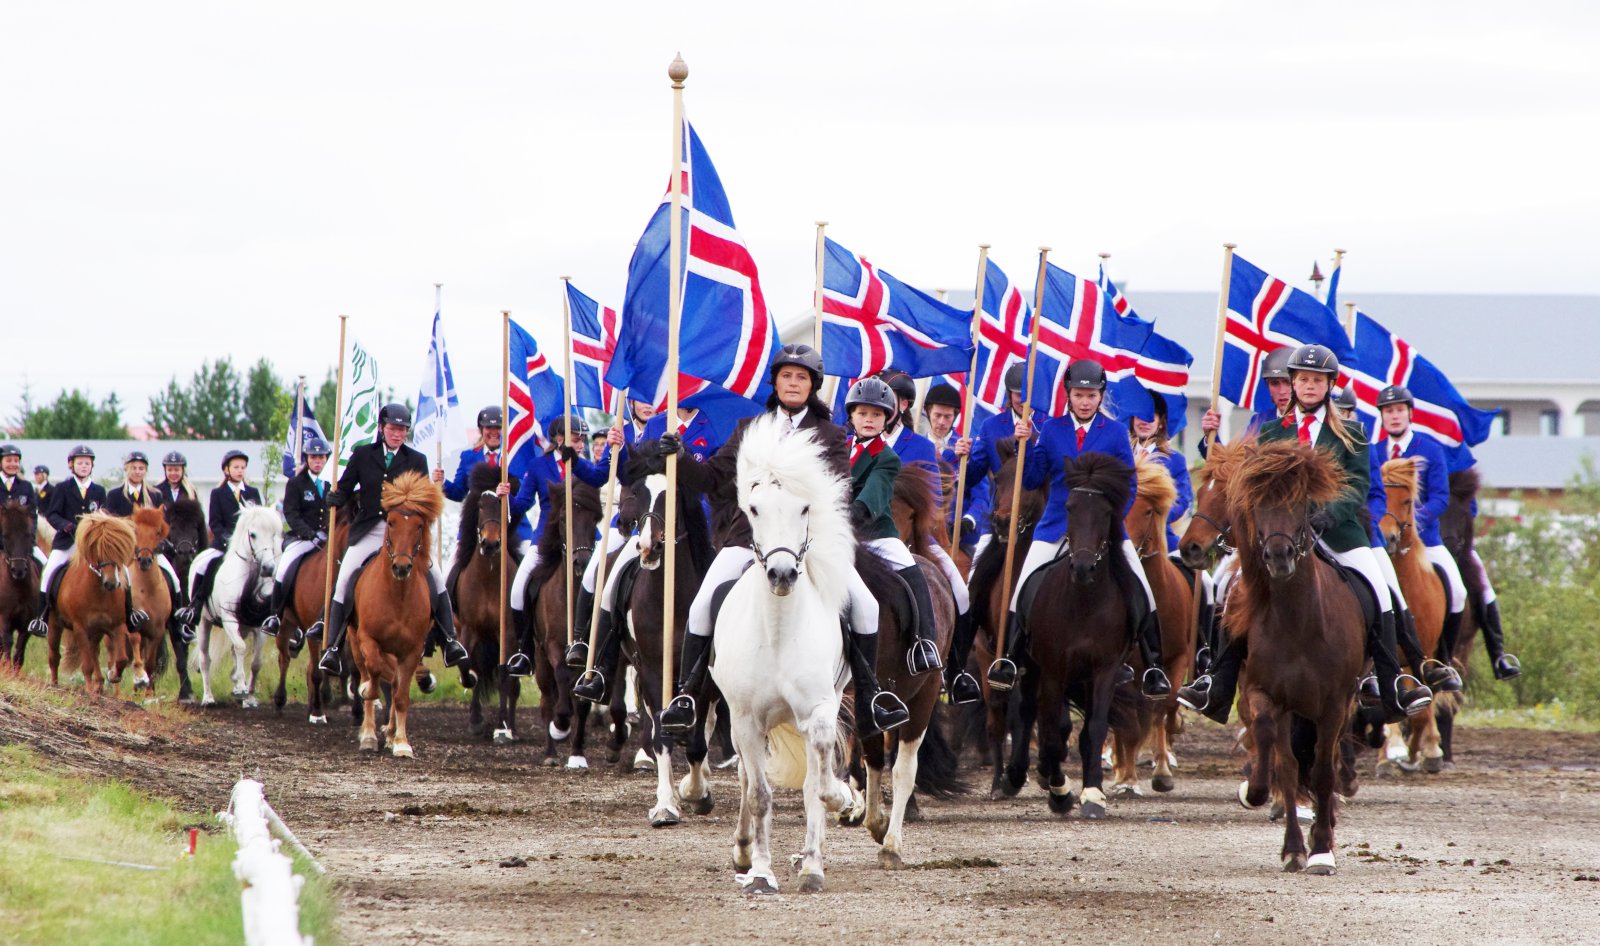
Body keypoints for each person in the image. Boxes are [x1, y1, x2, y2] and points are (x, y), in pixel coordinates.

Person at [592, 344, 911, 737]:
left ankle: (868, 696)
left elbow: (838, 490)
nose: (793, 383)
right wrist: (678, 458)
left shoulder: (830, 435)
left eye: (802, 377)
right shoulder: (749, 429)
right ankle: (688, 694)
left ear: (812, 386)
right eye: (786, 376)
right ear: (775, 383)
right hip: (749, 537)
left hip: (811, 541)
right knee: (703, 604)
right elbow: (712, 479)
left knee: (864, 605)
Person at [1178, 345, 1435, 724]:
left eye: (1317, 380)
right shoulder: (1270, 432)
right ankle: (1216, 682)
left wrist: (1330, 514)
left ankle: (1391, 681)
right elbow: (1244, 475)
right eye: (1303, 380)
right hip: (1279, 536)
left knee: (1382, 589)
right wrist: (1209, 442)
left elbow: (1358, 485)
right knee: (1233, 592)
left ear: (1329, 385)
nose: (1309, 386)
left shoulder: (1351, 433)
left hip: (1337, 533)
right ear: (1293, 384)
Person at [957, 359, 1172, 699]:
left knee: (1140, 584)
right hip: (1056, 522)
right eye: (1078, 395)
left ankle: (1154, 665)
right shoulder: (1053, 430)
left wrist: (1113, 519)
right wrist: (1024, 447)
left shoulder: (1115, 432)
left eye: (1091, 395)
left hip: (1103, 527)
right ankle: (1011, 658)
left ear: (1101, 396)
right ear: (1068, 396)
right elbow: (1030, 480)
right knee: (1022, 585)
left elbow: (1129, 485)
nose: (1085, 401)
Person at [566, 404, 723, 685]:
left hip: (699, 527)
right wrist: (621, 450)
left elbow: (715, 482)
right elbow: (634, 473)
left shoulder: (713, 423)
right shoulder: (656, 423)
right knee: (611, 579)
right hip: (652, 522)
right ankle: (599, 664)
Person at [315, 403, 474, 680]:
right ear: (381, 428)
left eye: (402, 429)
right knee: (344, 579)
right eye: (392, 428)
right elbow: (347, 485)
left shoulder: (417, 459)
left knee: (435, 577)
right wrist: (334, 498)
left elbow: (425, 500)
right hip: (371, 529)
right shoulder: (363, 455)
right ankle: (332, 646)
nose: (397, 434)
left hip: (404, 534)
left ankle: (450, 641)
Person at [1367, 385, 1483, 687]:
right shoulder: (1375, 452)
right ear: (1382, 416)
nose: (1394, 416)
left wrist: (1413, 521)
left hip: (1425, 540)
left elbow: (1441, 498)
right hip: (1382, 538)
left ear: (1409, 413)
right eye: (1388, 411)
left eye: (1399, 411)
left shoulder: (1429, 448)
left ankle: (1442, 660)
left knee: (1456, 590)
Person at [875, 373, 978, 703]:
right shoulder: (860, 438)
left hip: (913, 534)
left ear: (903, 404)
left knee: (961, 593)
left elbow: (932, 497)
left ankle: (956, 671)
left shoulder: (919, 445)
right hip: (866, 533)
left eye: (888, 399)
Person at [842, 377, 944, 677]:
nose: (869, 420)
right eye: (863, 413)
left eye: (876, 414)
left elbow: (871, 496)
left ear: (887, 418)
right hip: (831, 533)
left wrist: (846, 517)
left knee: (911, 569)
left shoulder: (887, 457)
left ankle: (924, 641)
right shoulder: (837, 447)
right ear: (851, 416)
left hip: (873, 531)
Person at [505, 414, 604, 677]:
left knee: (610, 582)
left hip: (584, 538)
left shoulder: (586, 467)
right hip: (546, 539)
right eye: (576, 438)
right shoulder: (539, 466)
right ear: (559, 439)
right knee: (518, 588)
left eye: (582, 439)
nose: (580, 444)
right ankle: (525, 649)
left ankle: (608, 647)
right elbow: (523, 504)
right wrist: (506, 497)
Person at [1130, 394, 1217, 674]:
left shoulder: (1174, 459)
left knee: (1206, 585)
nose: (1145, 422)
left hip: (1163, 539)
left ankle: (1203, 649)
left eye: (1151, 416)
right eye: (1140, 416)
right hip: (1124, 538)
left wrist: (1158, 510)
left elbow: (1184, 500)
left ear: (1161, 421)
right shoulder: (1121, 453)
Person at [29, 446, 142, 637]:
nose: (83, 466)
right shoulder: (62, 488)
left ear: (92, 466)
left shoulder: (98, 490)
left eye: (87, 463)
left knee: (124, 573)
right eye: (80, 463)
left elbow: (104, 516)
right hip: (67, 542)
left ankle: (130, 614)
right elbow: (53, 514)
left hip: (92, 545)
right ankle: (41, 618)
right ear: (71, 465)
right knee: (49, 570)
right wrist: (65, 525)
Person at [1449, 445, 1521, 680]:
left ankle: (1498, 654)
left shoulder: (1457, 461)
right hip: (1405, 537)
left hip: (1452, 541)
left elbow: (1471, 509)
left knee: (1485, 589)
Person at [173, 449, 264, 631]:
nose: (240, 470)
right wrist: (230, 542)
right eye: (236, 467)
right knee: (204, 565)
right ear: (227, 470)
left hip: (250, 547)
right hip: (224, 545)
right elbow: (215, 523)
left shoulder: (253, 493)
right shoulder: (218, 493)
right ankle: (196, 606)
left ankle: (269, 611)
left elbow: (258, 522)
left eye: (242, 467)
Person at [260, 435, 332, 648]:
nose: (317, 461)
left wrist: (329, 533)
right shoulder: (296, 483)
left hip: (330, 538)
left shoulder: (333, 482)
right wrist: (310, 533)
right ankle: (275, 615)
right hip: (303, 538)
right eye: (313, 457)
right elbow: (291, 513)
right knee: (283, 567)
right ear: (307, 459)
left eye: (321, 457)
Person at [1196, 346, 1295, 457]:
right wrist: (1211, 436)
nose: (1282, 391)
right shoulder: (1259, 421)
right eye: (1275, 383)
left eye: (1288, 382)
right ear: (1268, 386)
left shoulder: (1314, 420)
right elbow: (1235, 464)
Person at [0, 444, 46, 568]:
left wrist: (29, 536)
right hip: (2, 542)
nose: (13, 464)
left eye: (16, 461)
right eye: (8, 460)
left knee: (44, 564)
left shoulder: (26, 486)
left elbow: (33, 515)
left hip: (22, 543)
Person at [104, 450, 164, 516]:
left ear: (146, 471)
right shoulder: (114, 495)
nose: (137, 472)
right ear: (126, 469)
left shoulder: (155, 495)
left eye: (141, 468)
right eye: (133, 468)